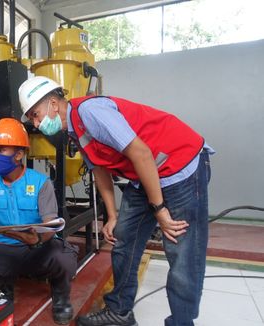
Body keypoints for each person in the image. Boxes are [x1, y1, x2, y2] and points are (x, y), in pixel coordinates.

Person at [18, 76, 213, 326]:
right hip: (144, 176)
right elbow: (100, 169)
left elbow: (141, 153)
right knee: (123, 238)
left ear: (53, 104)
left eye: (35, 114)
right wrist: (111, 215)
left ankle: (182, 322)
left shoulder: (90, 112)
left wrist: (160, 210)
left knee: (181, 251)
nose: (35, 123)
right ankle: (119, 311)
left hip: (179, 167)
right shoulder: (75, 131)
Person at [0, 118, 78, 325]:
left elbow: (51, 222)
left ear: (19, 154)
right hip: (5, 248)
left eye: (1, 150)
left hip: (38, 246)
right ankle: (2, 294)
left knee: (64, 258)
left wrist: (38, 239)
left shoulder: (40, 182)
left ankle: (61, 297)